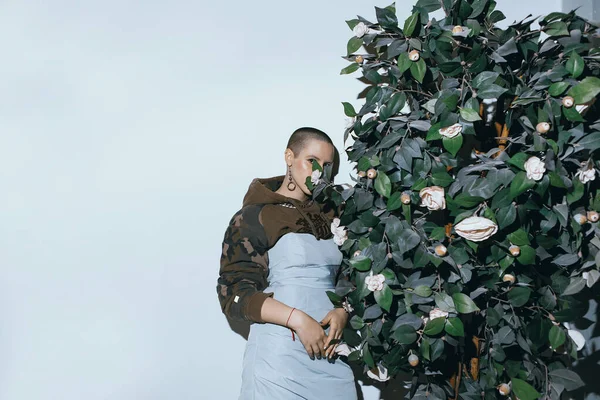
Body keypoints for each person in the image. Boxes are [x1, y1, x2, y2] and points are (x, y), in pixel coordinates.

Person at [217, 127, 358, 399]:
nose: (319, 173)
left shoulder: (332, 215)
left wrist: (343, 311)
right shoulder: (254, 216)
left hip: (331, 353)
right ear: (289, 157)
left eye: (327, 166)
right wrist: (298, 320)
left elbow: (350, 277)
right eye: (312, 161)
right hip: (279, 359)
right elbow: (233, 294)